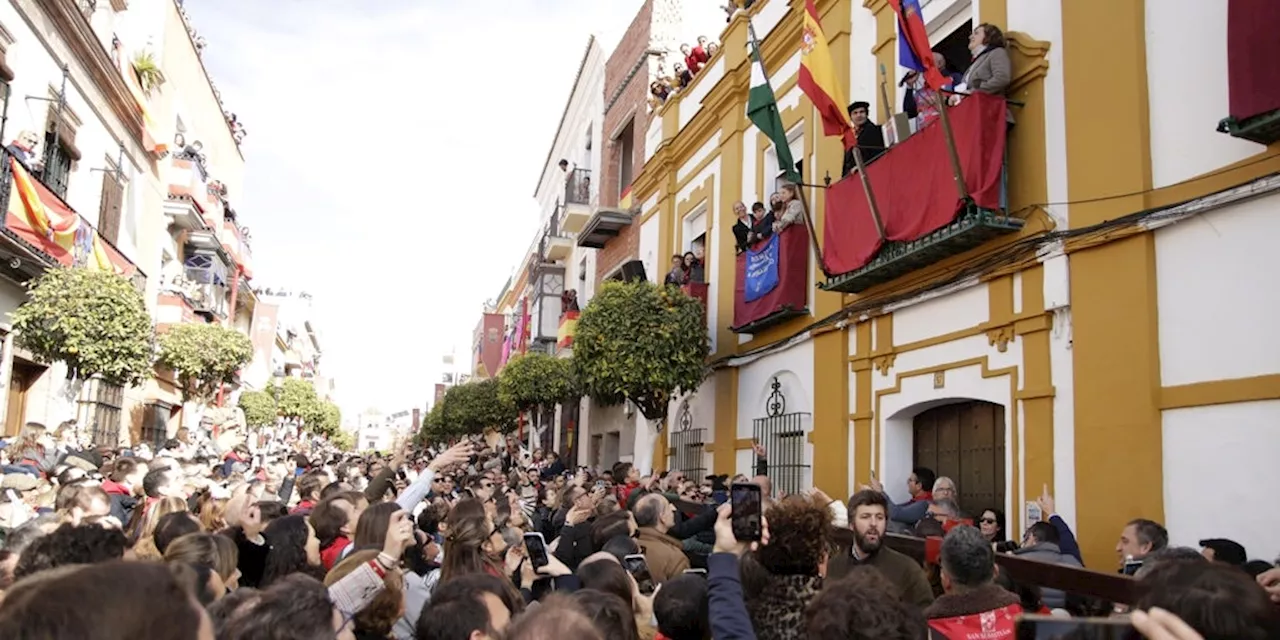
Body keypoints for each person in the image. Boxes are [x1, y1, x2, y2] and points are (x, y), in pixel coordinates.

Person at [827, 490, 934, 608]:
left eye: (879, 517)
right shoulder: (834, 567)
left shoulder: (907, 570)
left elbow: (925, 615)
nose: (873, 523)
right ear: (852, 525)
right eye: (865, 517)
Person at [841, 101, 885, 177]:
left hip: (868, 176)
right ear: (851, 117)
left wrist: (862, 166)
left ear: (866, 114)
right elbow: (846, 162)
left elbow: (878, 156)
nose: (859, 115)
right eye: (855, 113)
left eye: (862, 112)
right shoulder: (850, 136)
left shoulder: (874, 130)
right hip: (851, 179)